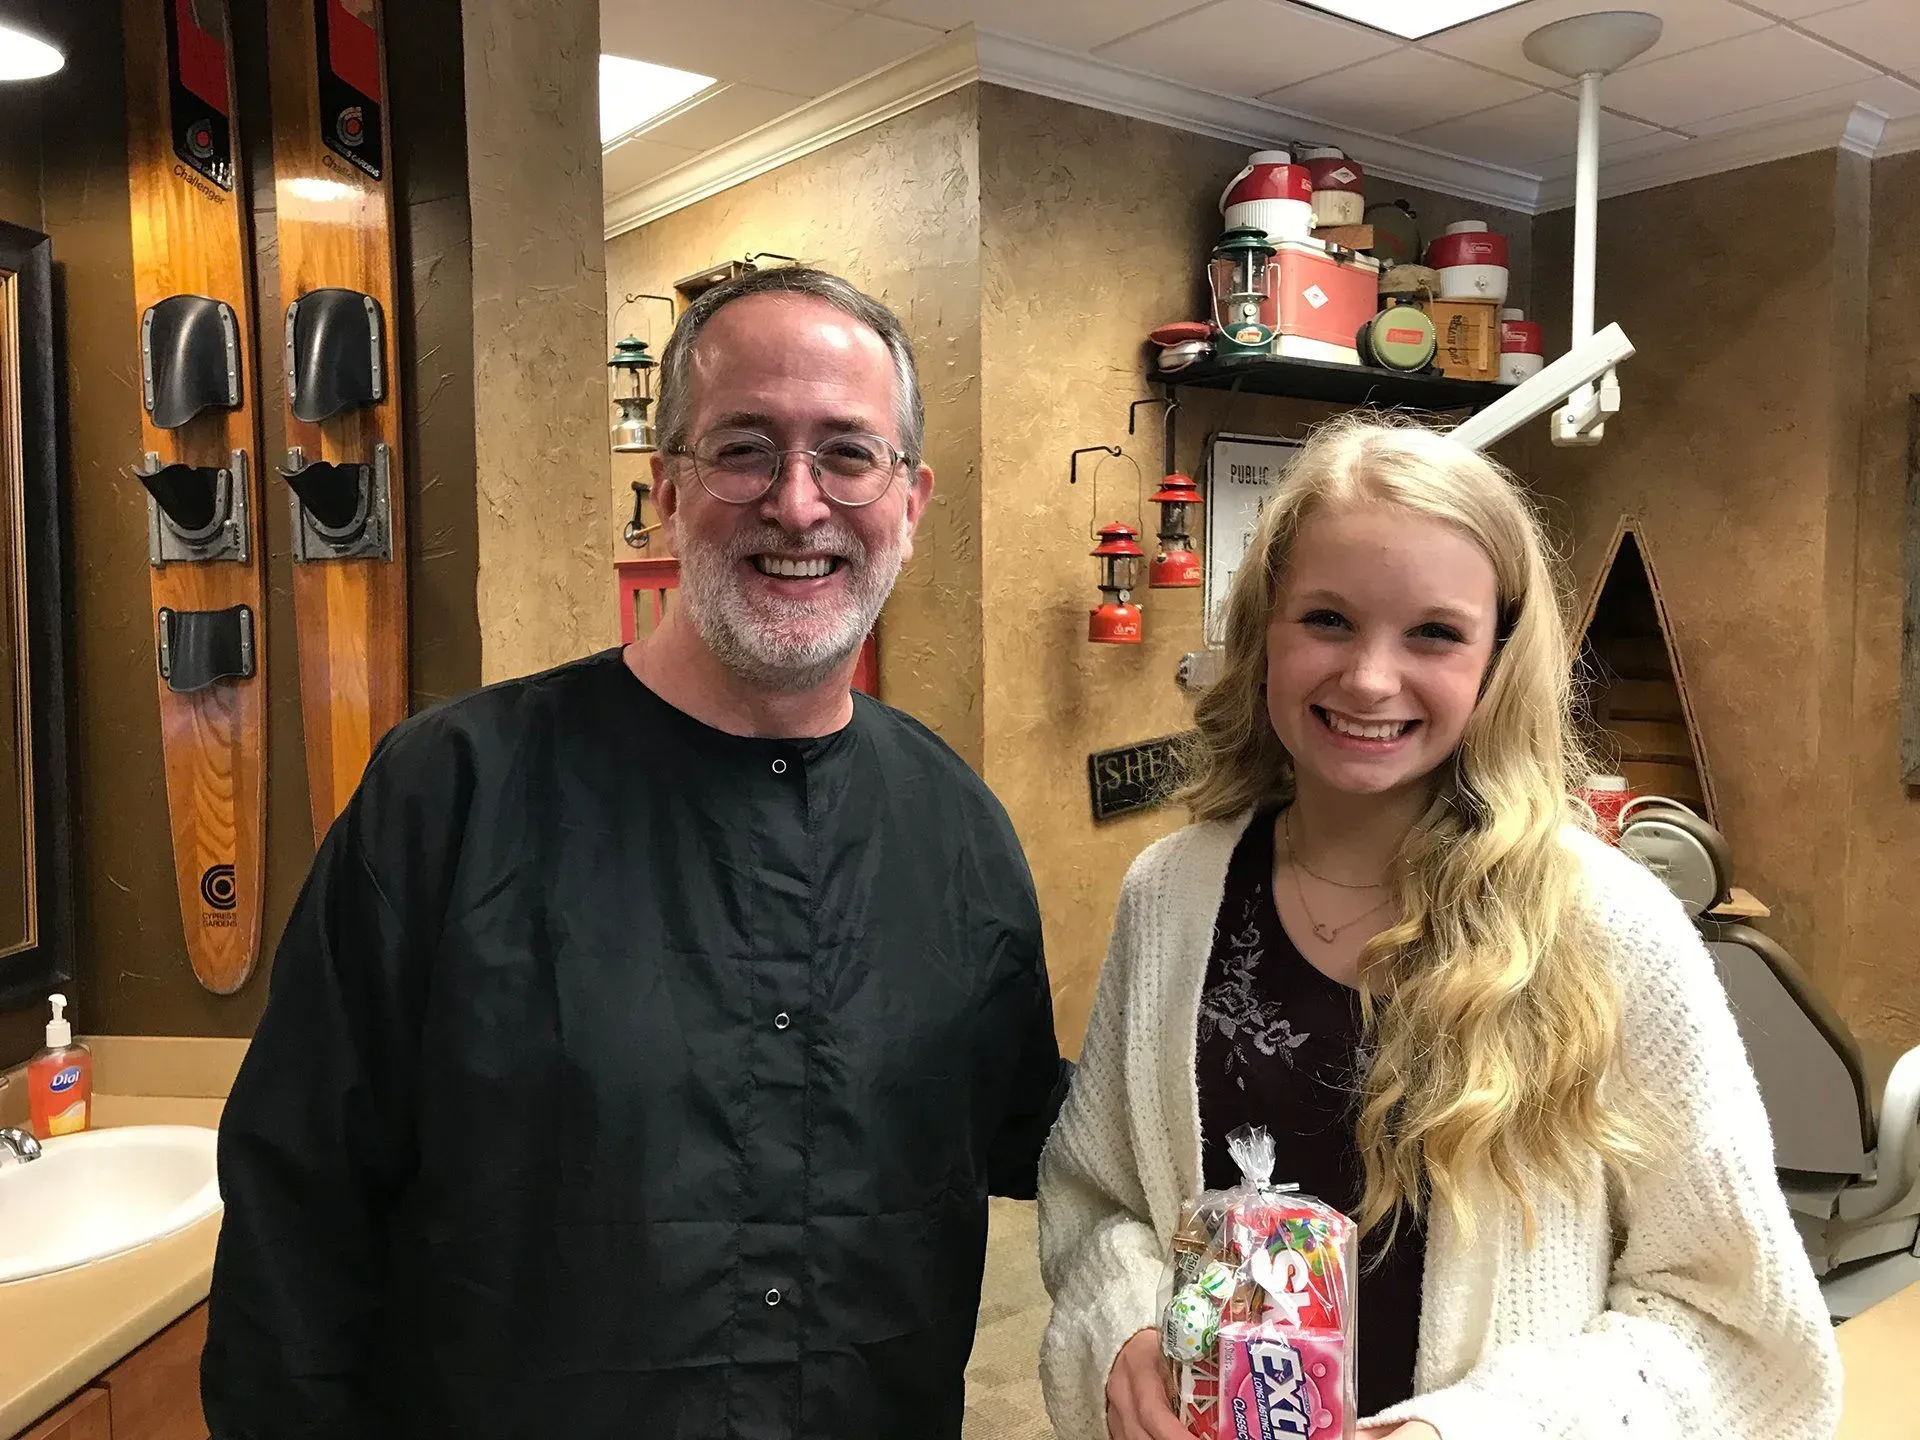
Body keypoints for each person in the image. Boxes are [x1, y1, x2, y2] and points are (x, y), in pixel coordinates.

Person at [202, 266, 1069, 1440]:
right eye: (744, 448)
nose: (799, 504)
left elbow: (1036, 1138)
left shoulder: (958, 828)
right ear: (667, 489)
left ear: (911, 502)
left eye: (848, 455)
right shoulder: (450, 794)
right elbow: (292, 1229)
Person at [1036, 417, 1839, 1440]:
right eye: (1327, 618)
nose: (1371, 679)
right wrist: (1122, 1330)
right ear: (1265, 629)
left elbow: (1732, 1324)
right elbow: (1094, 1200)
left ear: (1499, 658)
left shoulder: (1604, 927)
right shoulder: (1173, 894)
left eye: (1434, 633)